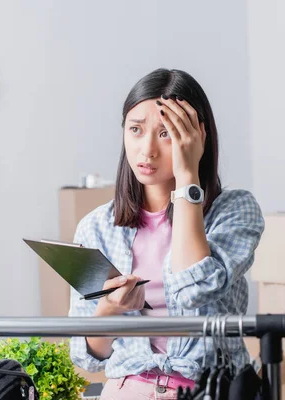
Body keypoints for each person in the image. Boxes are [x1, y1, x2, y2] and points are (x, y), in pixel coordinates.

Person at [69, 68, 265, 399]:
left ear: (197, 137)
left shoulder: (234, 211)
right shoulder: (96, 226)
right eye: (135, 130)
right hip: (128, 387)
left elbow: (196, 287)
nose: (146, 151)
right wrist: (109, 310)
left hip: (210, 388)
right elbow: (89, 356)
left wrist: (188, 175)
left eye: (166, 134)